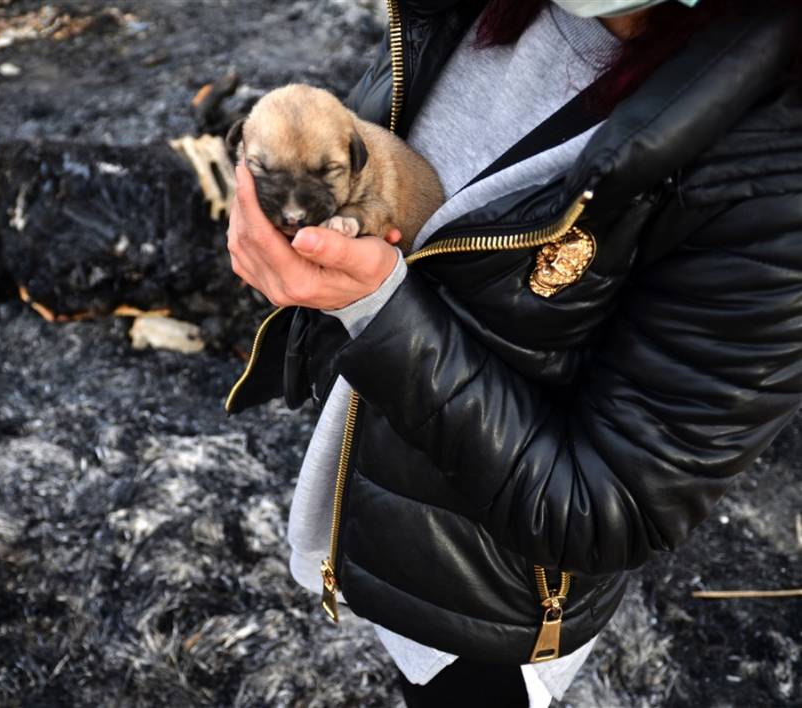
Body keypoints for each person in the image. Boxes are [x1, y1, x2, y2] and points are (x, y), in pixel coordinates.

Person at [225, 0, 802, 705]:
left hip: (484, 610)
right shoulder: (465, 9)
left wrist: (371, 306)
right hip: (365, 513)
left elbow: (607, 508)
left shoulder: (774, 177)